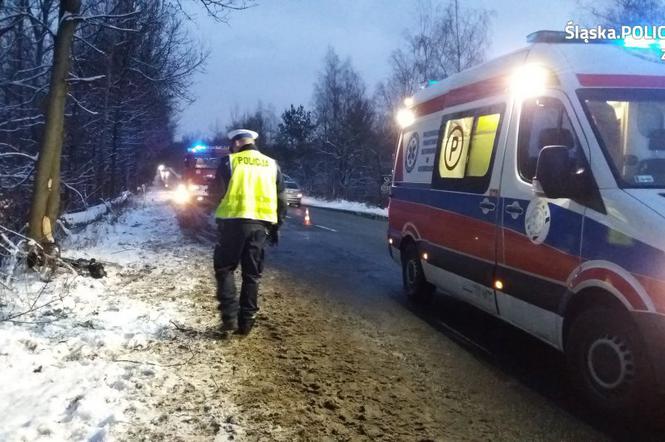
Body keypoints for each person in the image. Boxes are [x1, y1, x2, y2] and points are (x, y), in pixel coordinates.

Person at [213, 129, 287, 335]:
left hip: (232, 224)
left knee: (225, 268)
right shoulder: (271, 164)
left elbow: (215, 194)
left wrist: (213, 213)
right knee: (252, 274)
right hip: (260, 227)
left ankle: (229, 317)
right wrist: (277, 226)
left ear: (236, 143)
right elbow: (282, 199)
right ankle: (246, 322)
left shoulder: (230, 162)